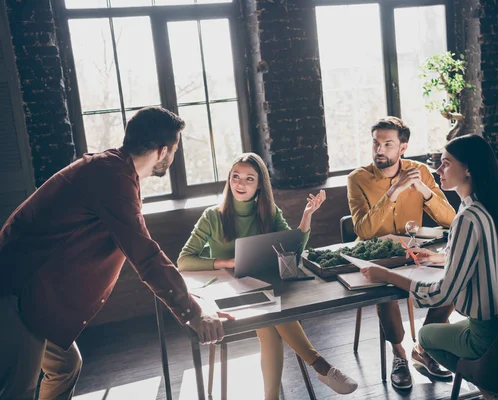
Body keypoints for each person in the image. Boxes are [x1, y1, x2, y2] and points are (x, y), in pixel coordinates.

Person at [0, 107, 232, 400]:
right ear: (163, 152)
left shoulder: (115, 170)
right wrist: (192, 313)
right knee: (19, 389)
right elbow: (145, 254)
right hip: (19, 292)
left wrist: (188, 296)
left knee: (66, 366)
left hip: (36, 293)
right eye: (173, 151)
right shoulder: (112, 177)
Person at [361, 134, 498, 400]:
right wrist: (440, 257)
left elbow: (443, 294)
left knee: (426, 336)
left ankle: (489, 387)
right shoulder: (497, 208)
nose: (437, 170)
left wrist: (388, 276)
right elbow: (482, 253)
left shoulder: (467, 217)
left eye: (446, 163)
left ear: (468, 169)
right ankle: (495, 389)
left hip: (486, 335)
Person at [178, 152, 358, 400]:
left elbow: (292, 249)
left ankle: (273, 396)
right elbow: (184, 260)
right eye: (235, 177)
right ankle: (321, 366)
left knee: (270, 321)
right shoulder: (212, 216)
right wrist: (227, 262)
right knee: (273, 313)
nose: (240, 184)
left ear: (260, 184)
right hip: (228, 292)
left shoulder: (269, 212)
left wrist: (306, 217)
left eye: (249, 179)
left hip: (263, 288)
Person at [346, 116, 457, 389]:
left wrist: (421, 189)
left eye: (387, 144)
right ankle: (399, 354)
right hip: (376, 255)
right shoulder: (357, 179)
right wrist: (393, 192)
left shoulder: (419, 171)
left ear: (402, 147)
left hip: (415, 253)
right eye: (376, 143)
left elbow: (450, 218)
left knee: (454, 279)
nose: (379, 150)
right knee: (383, 289)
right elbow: (364, 229)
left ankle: (424, 347)